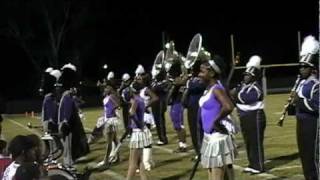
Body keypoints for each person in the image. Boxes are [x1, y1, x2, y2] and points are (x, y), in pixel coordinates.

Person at [198, 58, 235, 180]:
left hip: (217, 139)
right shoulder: (208, 89)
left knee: (216, 177)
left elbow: (228, 106)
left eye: (202, 72)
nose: (199, 74)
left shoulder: (217, 89)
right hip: (209, 137)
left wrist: (216, 120)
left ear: (212, 73)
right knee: (218, 175)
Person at [230, 55, 266, 174]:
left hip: (255, 116)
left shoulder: (256, 87)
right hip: (245, 116)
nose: (245, 77)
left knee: (255, 141)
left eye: (248, 75)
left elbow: (247, 98)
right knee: (248, 140)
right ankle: (252, 163)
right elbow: (232, 94)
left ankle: (259, 166)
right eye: (245, 75)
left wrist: (235, 96)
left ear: (253, 77)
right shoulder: (243, 86)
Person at [294, 35, 319, 180]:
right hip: (301, 123)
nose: (302, 69)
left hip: (312, 124)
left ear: (311, 68)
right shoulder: (301, 84)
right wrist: (292, 105)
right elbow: (298, 107)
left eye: (305, 67)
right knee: (304, 156)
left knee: (312, 157)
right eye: (301, 66)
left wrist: (300, 102)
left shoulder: (315, 84)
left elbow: (317, 106)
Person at [58, 63, 89, 171]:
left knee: (70, 146)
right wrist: (65, 124)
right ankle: (68, 166)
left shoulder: (67, 94)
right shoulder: (67, 95)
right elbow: (67, 111)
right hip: (68, 125)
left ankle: (68, 163)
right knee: (69, 146)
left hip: (69, 124)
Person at [135, 65, 158, 171]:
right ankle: (149, 161)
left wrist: (145, 105)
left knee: (145, 140)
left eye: (139, 78)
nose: (137, 80)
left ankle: (146, 163)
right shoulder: (140, 90)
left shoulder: (146, 90)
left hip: (146, 117)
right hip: (142, 116)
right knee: (144, 139)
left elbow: (155, 98)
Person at [126, 82, 151, 180]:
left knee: (132, 163)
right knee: (140, 161)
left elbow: (132, 113)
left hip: (137, 133)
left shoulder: (136, 100)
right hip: (141, 131)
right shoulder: (141, 99)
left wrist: (137, 123)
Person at [96, 83, 120, 167]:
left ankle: (106, 160)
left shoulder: (111, 97)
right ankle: (117, 158)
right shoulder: (105, 98)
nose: (104, 89)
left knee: (109, 142)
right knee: (114, 141)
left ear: (110, 89)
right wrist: (103, 117)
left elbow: (117, 105)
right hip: (109, 120)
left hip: (110, 121)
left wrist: (111, 114)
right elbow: (107, 109)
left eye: (106, 88)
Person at [151, 69, 169, 145]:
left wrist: (155, 84)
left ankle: (163, 138)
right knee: (157, 121)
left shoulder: (165, 82)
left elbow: (156, 88)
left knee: (160, 122)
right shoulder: (155, 82)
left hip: (160, 104)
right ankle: (160, 138)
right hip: (155, 104)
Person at [40, 69, 62, 134]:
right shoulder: (50, 97)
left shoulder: (50, 97)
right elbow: (51, 117)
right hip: (51, 127)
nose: (58, 88)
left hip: (50, 126)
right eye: (57, 86)